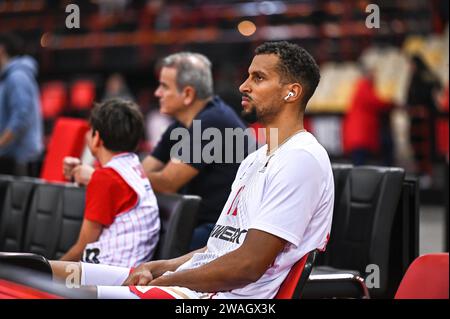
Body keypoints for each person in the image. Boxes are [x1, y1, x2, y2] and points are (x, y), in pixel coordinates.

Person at [51, 41, 334, 299]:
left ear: (292, 92)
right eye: (248, 76)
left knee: (71, 295)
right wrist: (161, 267)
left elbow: (247, 266)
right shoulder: (255, 158)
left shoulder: (301, 158)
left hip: (229, 298)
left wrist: (170, 280)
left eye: (258, 78)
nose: (243, 86)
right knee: (48, 273)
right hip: (202, 283)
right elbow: (219, 247)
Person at [63, 52, 253, 250]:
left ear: (187, 94)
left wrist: (97, 176)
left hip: (222, 231)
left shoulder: (213, 122)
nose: (157, 93)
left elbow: (167, 182)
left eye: (164, 86)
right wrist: (101, 175)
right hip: (197, 223)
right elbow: (139, 170)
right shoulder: (183, 124)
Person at [60, 98, 160, 268]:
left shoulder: (105, 179)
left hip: (111, 274)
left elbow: (81, 248)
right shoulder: (133, 164)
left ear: (97, 138)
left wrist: (47, 269)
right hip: (130, 268)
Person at [0, 33, 43, 176]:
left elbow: (21, 119)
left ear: (2, 49)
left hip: (20, 159)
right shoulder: (9, 76)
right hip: (12, 157)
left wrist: (1, 143)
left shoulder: (17, 76)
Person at [342, 65, 393, 166]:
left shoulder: (362, 87)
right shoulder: (364, 87)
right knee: (359, 166)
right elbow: (375, 102)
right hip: (360, 135)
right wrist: (391, 104)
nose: (375, 76)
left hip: (358, 135)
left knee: (360, 164)